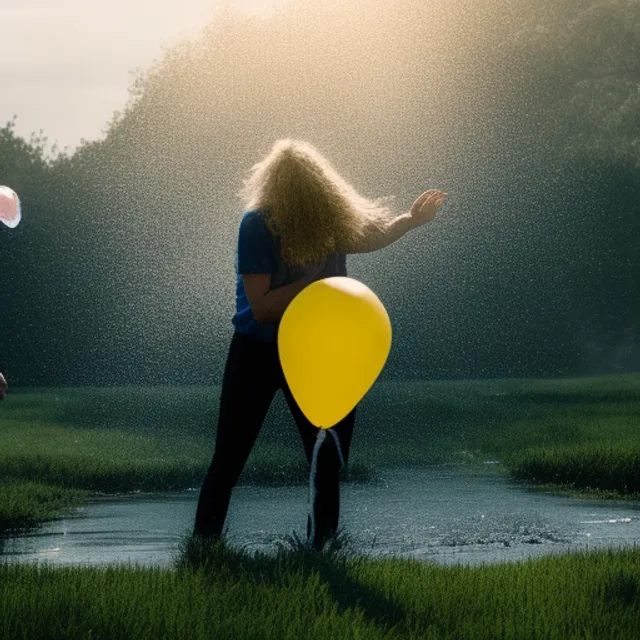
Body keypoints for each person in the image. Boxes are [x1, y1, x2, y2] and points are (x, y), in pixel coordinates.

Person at [193, 139, 447, 550]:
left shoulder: (330, 222)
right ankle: (202, 549)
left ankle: (322, 551)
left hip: (318, 352)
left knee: (326, 457)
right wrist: (313, 282)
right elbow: (261, 309)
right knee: (229, 457)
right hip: (257, 352)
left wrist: (410, 221)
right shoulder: (257, 224)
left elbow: (370, 236)